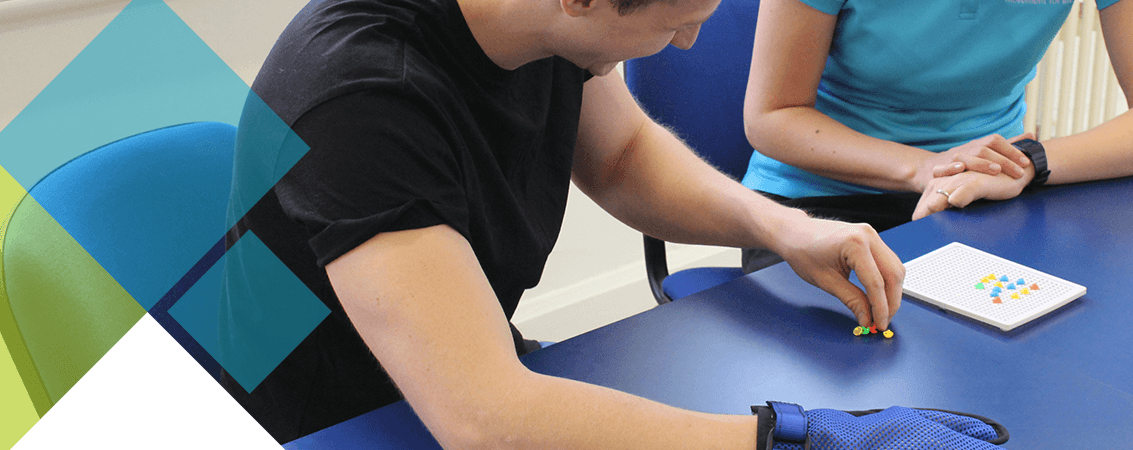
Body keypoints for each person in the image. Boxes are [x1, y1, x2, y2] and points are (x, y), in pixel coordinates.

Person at [218, 0, 1010, 448]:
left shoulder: (545, 27)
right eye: (676, 22)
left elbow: (624, 156)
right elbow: (484, 420)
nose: (695, 39)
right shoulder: (362, 97)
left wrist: (785, 228)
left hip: (464, 381)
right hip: (338, 426)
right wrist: (803, 438)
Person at [739, 0, 1133, 272]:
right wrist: (923, 168)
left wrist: (1026, 163)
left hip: (981, 196)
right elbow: (773, 114)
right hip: (820, 201)